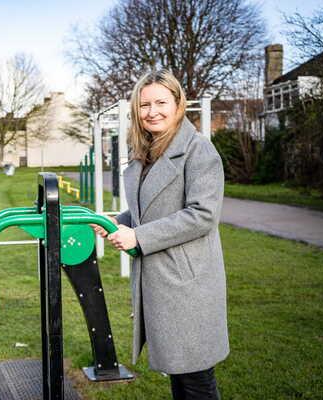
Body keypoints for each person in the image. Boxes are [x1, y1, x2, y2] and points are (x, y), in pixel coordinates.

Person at [92, 70, 229, 400]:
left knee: (195, 379)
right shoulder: (148, 152)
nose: (152, 111)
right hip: (162, 281)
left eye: (161, 102)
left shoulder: (199, 151)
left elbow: (203, 215)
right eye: (144, 105)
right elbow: (150, 211)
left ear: (179, 104)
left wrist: (138, 238)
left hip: (188, 284)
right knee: (180, 376)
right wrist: (117, 222)